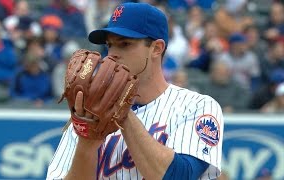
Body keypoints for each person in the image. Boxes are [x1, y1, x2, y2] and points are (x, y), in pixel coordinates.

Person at [47, 2, 224, 180]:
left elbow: (180, 176)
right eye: (110, 45)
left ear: (156, 48)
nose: (112, 54)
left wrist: (122, 111)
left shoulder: (196, 106)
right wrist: (86, 144)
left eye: (124, 44)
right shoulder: (89, 113)